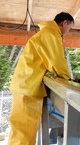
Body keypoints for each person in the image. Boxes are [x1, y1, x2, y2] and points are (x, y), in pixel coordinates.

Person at [8, 12, 74, 145]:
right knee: (23, 132)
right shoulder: (51, 34)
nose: (68, 32)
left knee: (21, 129)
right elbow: (56, 61)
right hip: (27, 87)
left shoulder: (46, 33)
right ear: (64, 23)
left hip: (25, 85)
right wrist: (68, 80)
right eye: (69, 28)